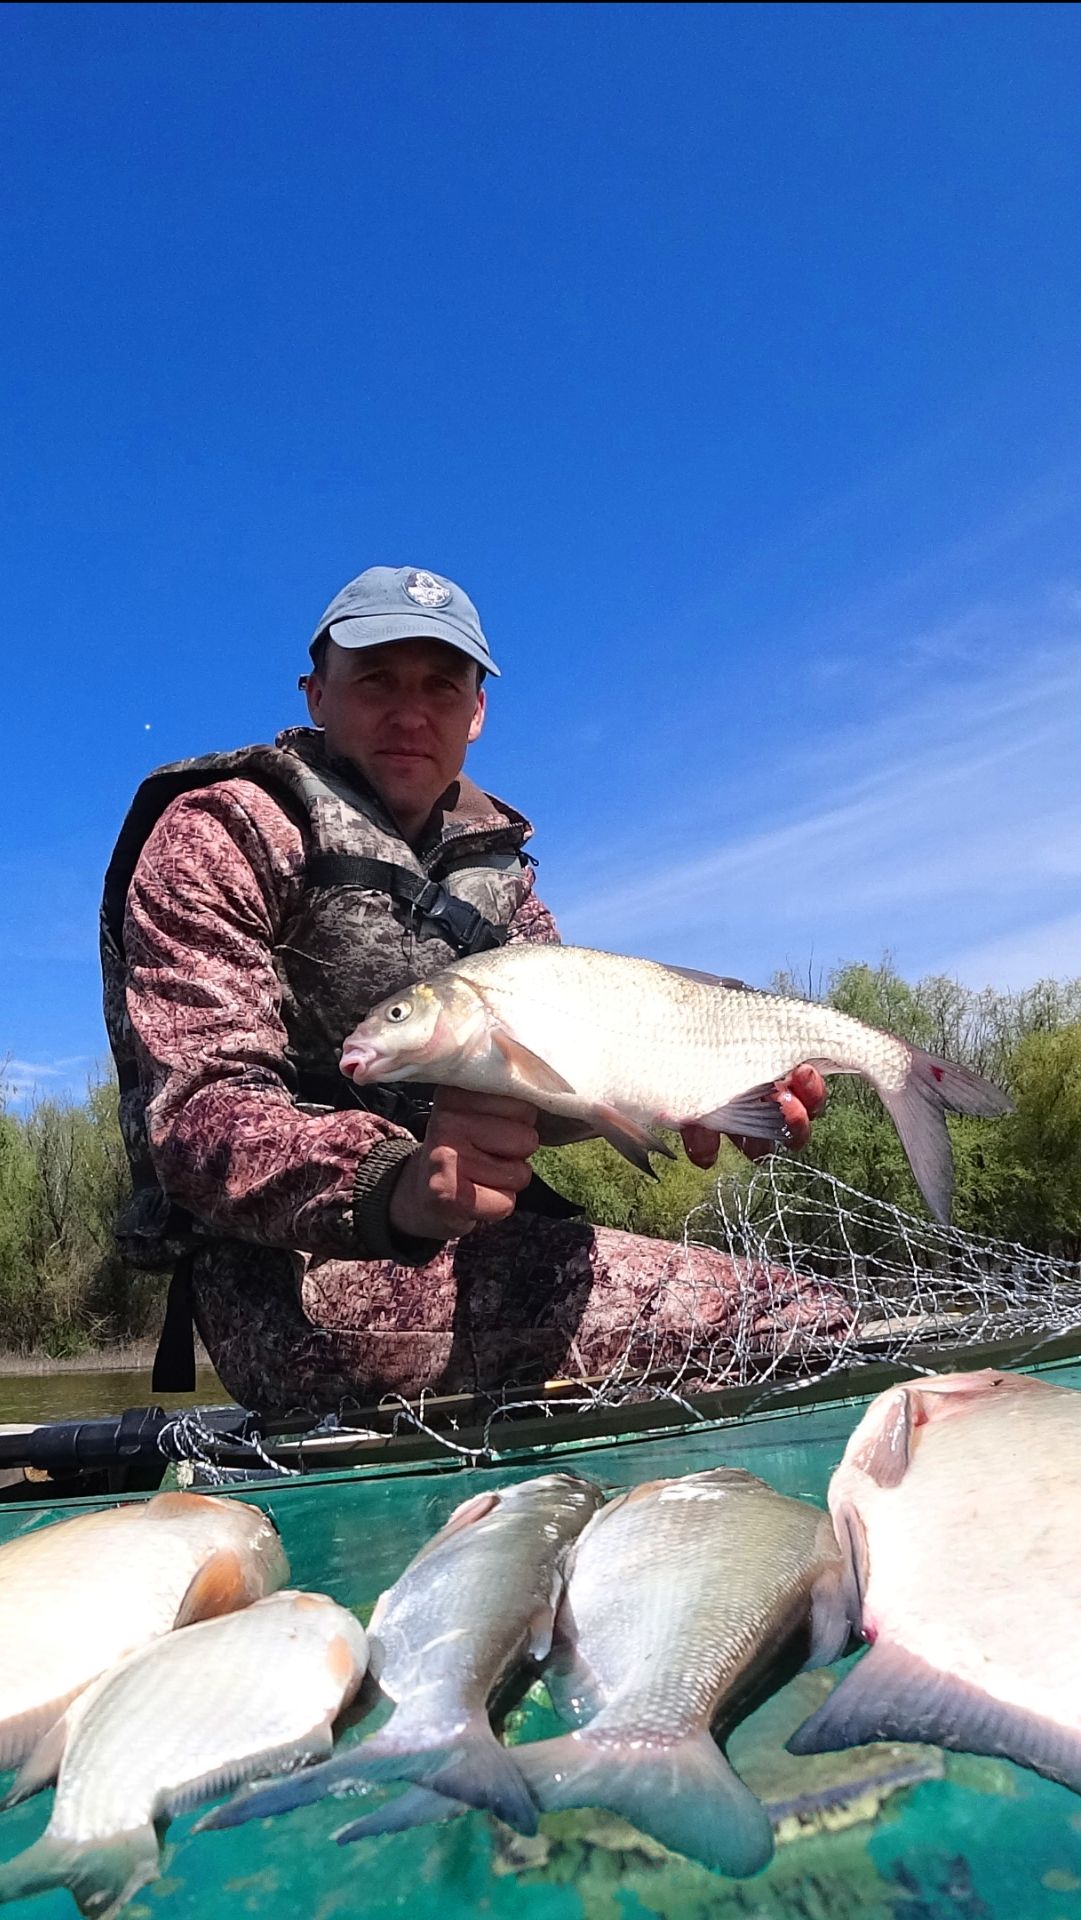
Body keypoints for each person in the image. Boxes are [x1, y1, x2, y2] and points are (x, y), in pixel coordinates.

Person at [101, 565, 841, 1417]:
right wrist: (396, 1183)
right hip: (294, 1283)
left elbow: (557, 1090)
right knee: (791, 1321)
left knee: (795, 1314)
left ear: (476, 711)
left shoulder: (503, 884)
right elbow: (197, 1117)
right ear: (316, 695)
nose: (410, 713)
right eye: (375, 680)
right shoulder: (221, 832)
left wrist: (692, 1088)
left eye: (441, 687)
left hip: (484, 1242)